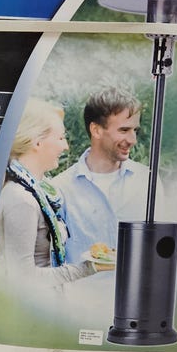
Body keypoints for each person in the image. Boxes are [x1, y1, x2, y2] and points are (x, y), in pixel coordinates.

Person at [0, 97, 97, 290]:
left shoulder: (41, 192)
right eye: (61, 138)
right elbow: (23, 279)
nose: (66, 146)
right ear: (37, 142)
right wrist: (87, 268)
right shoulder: (21, 199)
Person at [55, 87, 156, 264]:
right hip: (83, 283)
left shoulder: (147, 181)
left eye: (135, 130)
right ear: (96, 130)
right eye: (124, 130)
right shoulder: (61, 189)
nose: (133, 140)